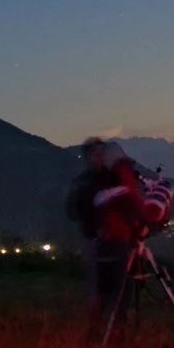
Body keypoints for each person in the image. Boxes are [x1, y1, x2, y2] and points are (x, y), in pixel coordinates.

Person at [70, 137, 149, 329]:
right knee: (98, 291)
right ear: (87, 156)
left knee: (120, 289)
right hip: (95, 242)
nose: (98, 156)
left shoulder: (112, 177)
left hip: (119, 240)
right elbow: (74, 211)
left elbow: (125, 203)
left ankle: (116, 330)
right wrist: (96, 224)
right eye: (93, 153)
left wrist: (137, 223)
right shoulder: (84, 182)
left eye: (100, 152)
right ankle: (97, 331)